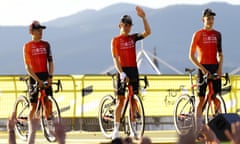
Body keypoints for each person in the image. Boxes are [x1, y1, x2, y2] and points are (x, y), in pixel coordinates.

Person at [111, 6, 151, 140]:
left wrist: (144, 17)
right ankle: (115, 130)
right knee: (121, 101)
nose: (127, 27)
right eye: (125, 25)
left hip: (134, 70)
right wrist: (121, 73)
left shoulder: (133, 38)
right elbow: (115, 59)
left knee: (133, 100)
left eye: (129, 25)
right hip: (122, 70)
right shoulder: (115, 40)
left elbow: (147, 32)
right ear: (120, 25)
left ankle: (133, 129)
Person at [189, 8, 223, 132]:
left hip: (214, 66)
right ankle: (197, 128)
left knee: (215, 97)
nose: (211, 20)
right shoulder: (197, 34)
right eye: (208, 18)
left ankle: (218, 124)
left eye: (212, 18)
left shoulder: (217, 34)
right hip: (202, 66)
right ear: (203, 20)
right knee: (201, 98)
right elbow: (191, 56)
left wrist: (220, 68)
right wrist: (203, 69)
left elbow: (220, 54)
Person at [23, 20, 54, 143]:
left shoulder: (46, 44)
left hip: (45, 75)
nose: (40, 32)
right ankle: (31, 132)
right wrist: (37, 80)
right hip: (33, 76)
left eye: (41, 30)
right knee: (33, 106)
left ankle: (50, 127)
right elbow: (27, 67)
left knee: (48, 102)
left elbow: (50, 62)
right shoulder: (27, 46)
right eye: (38, 30)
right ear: (31, 31)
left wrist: (50, 76)